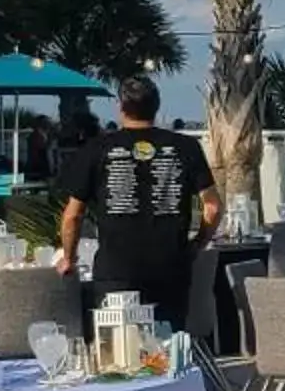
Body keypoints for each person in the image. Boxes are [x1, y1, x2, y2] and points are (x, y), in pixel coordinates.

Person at [52, 75, 217, 331]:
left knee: (117, 353)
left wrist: (69, 259)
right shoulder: (186, 146)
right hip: (171, 266)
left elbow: (73, 215)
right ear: (157, 105)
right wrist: (197, 244)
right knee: (168, 350)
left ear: (121, 107)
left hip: (116, 270)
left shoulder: (98, 149)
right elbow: (213, 206)